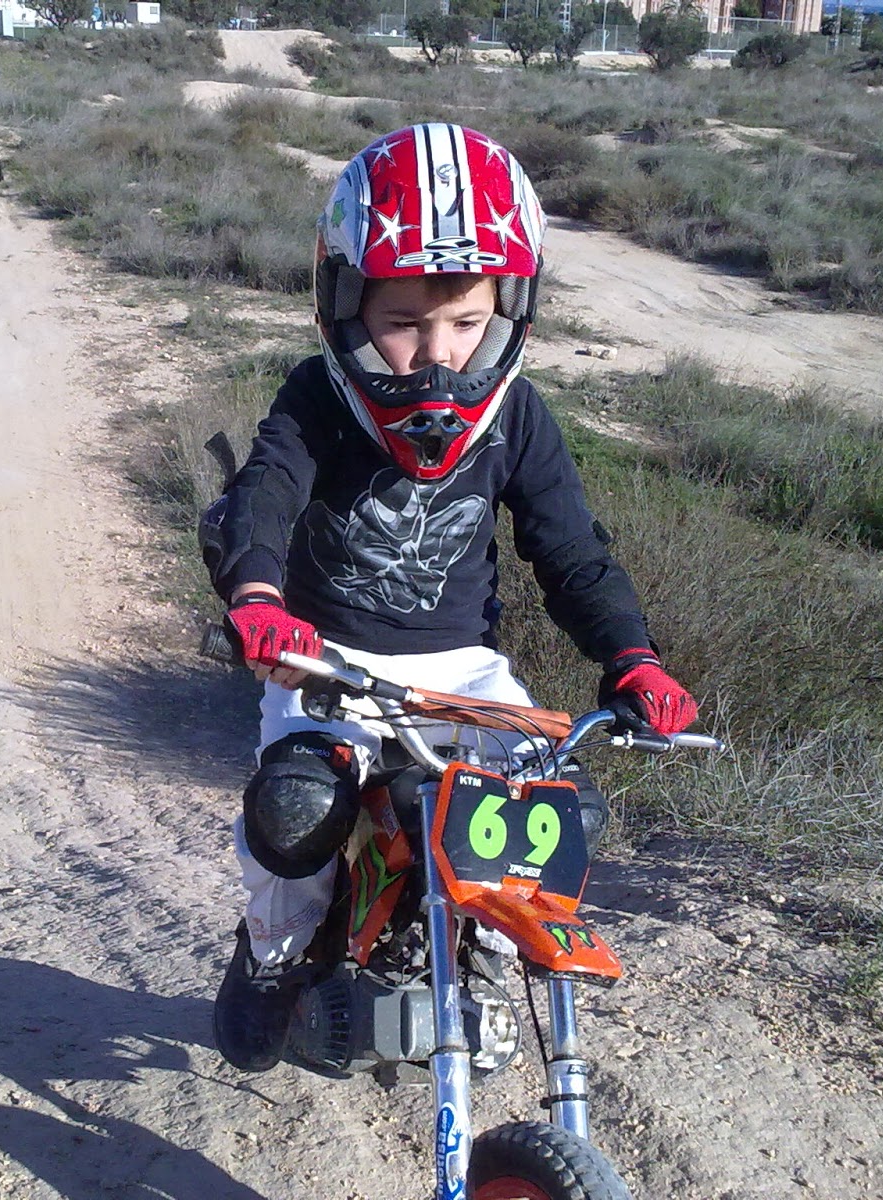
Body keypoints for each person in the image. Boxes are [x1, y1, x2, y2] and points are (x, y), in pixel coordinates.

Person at [202, 122, 700, 1074]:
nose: (435, 356)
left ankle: (496, 966)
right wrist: (259, 597)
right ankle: (267, 959)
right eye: (403, 323)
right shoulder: (315, 395)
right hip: (324, 664)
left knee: (553, 824)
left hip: (463, 670)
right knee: (297, 809)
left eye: (466, 324)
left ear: (510, 312)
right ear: (345, 308)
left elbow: (572, 554)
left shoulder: (516, 413)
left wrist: (633, 657)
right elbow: (261, 495)